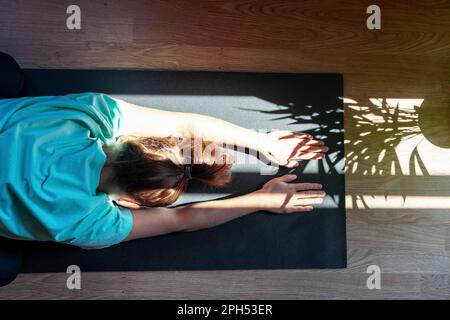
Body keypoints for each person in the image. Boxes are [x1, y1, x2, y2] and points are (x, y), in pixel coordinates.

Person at [0, 93, 328, 249]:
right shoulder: (91, 223)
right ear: (130, 202)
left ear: (132, 141)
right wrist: (260, 200)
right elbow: (177, 220)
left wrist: (259, 140)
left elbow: (180, 123)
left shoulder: (85, 116)